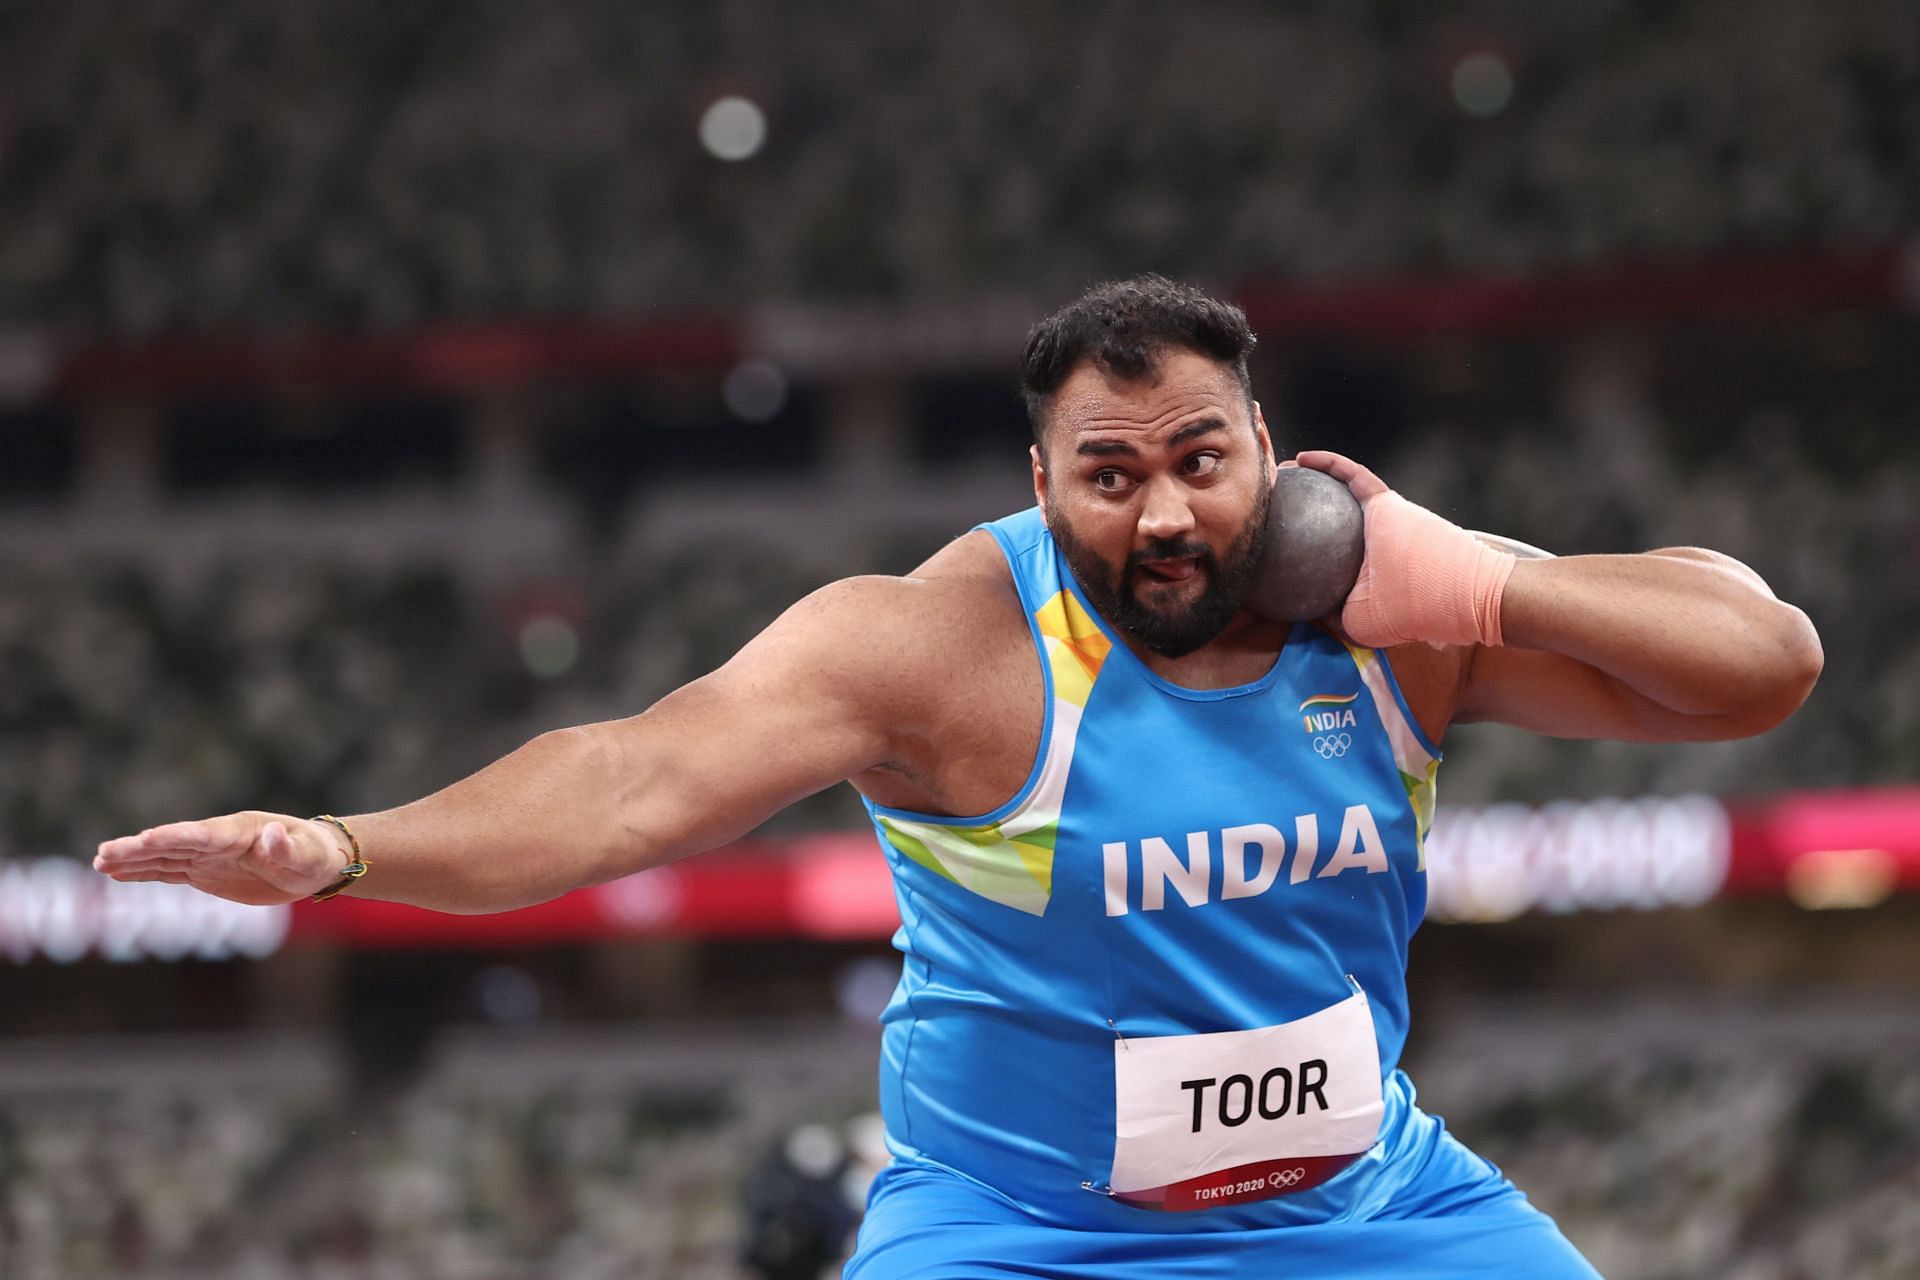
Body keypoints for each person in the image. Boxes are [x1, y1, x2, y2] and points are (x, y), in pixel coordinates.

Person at [95, 276, 1822, 1277]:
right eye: (1110, 473)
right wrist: (341, 846)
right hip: (1019, 1226)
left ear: (1270, 456)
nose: (1163, 514)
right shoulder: (939, 646)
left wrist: (1485, 580)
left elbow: (1762, 668)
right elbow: (627, 782)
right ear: (1042, 480)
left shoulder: (1395, 607)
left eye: (1205, 462)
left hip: (1363, 1202)